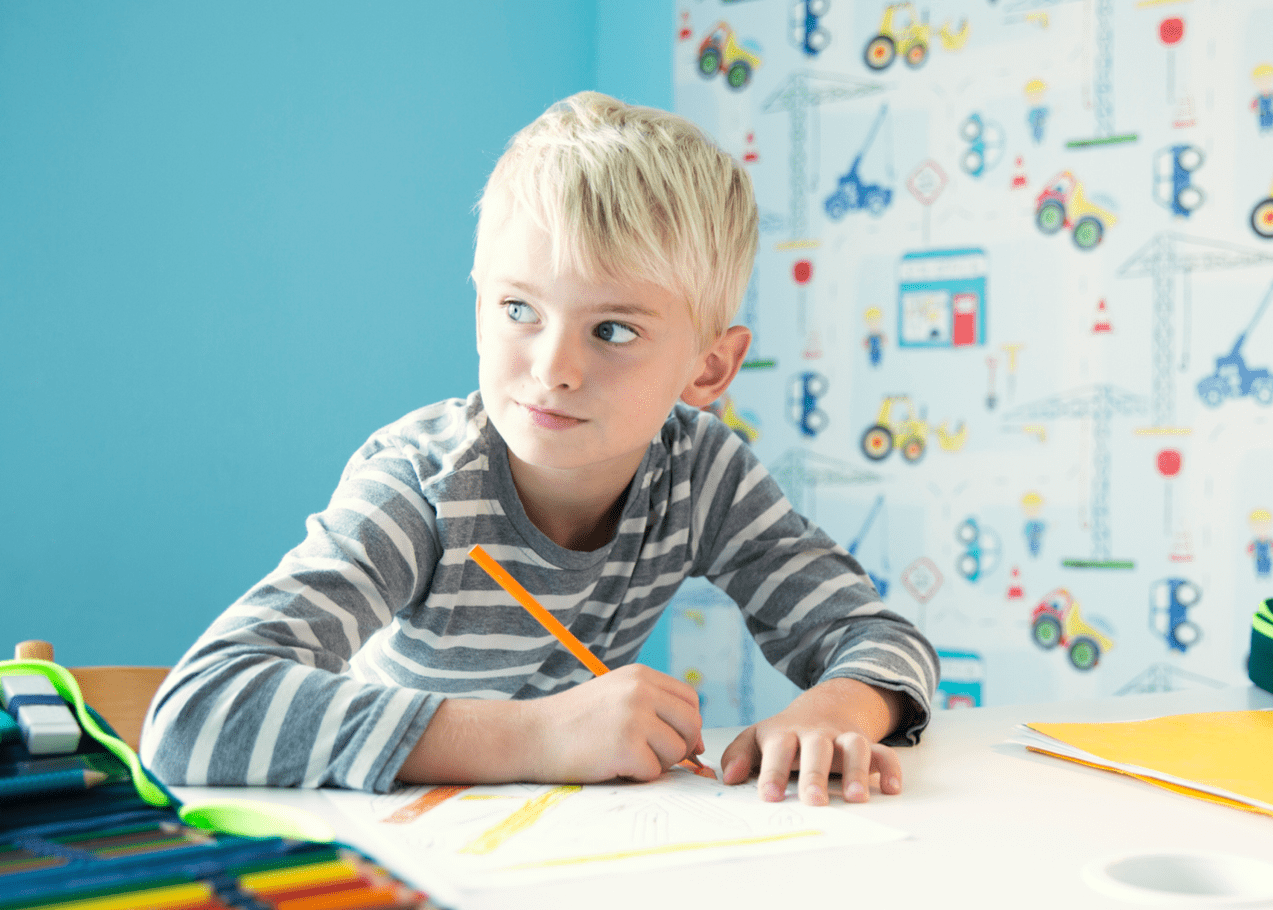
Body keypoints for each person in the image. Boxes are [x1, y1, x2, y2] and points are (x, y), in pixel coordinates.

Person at [140, 92, 937, 806]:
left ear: (709, 367)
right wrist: (542, 737)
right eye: (520, 308)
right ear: (479, 307)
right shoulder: (423, 483)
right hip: (389, 844)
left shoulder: (700, 474)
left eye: (614, 329)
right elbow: (194, 711)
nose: (554, 368)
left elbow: (883, 640)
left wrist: (830, 714)